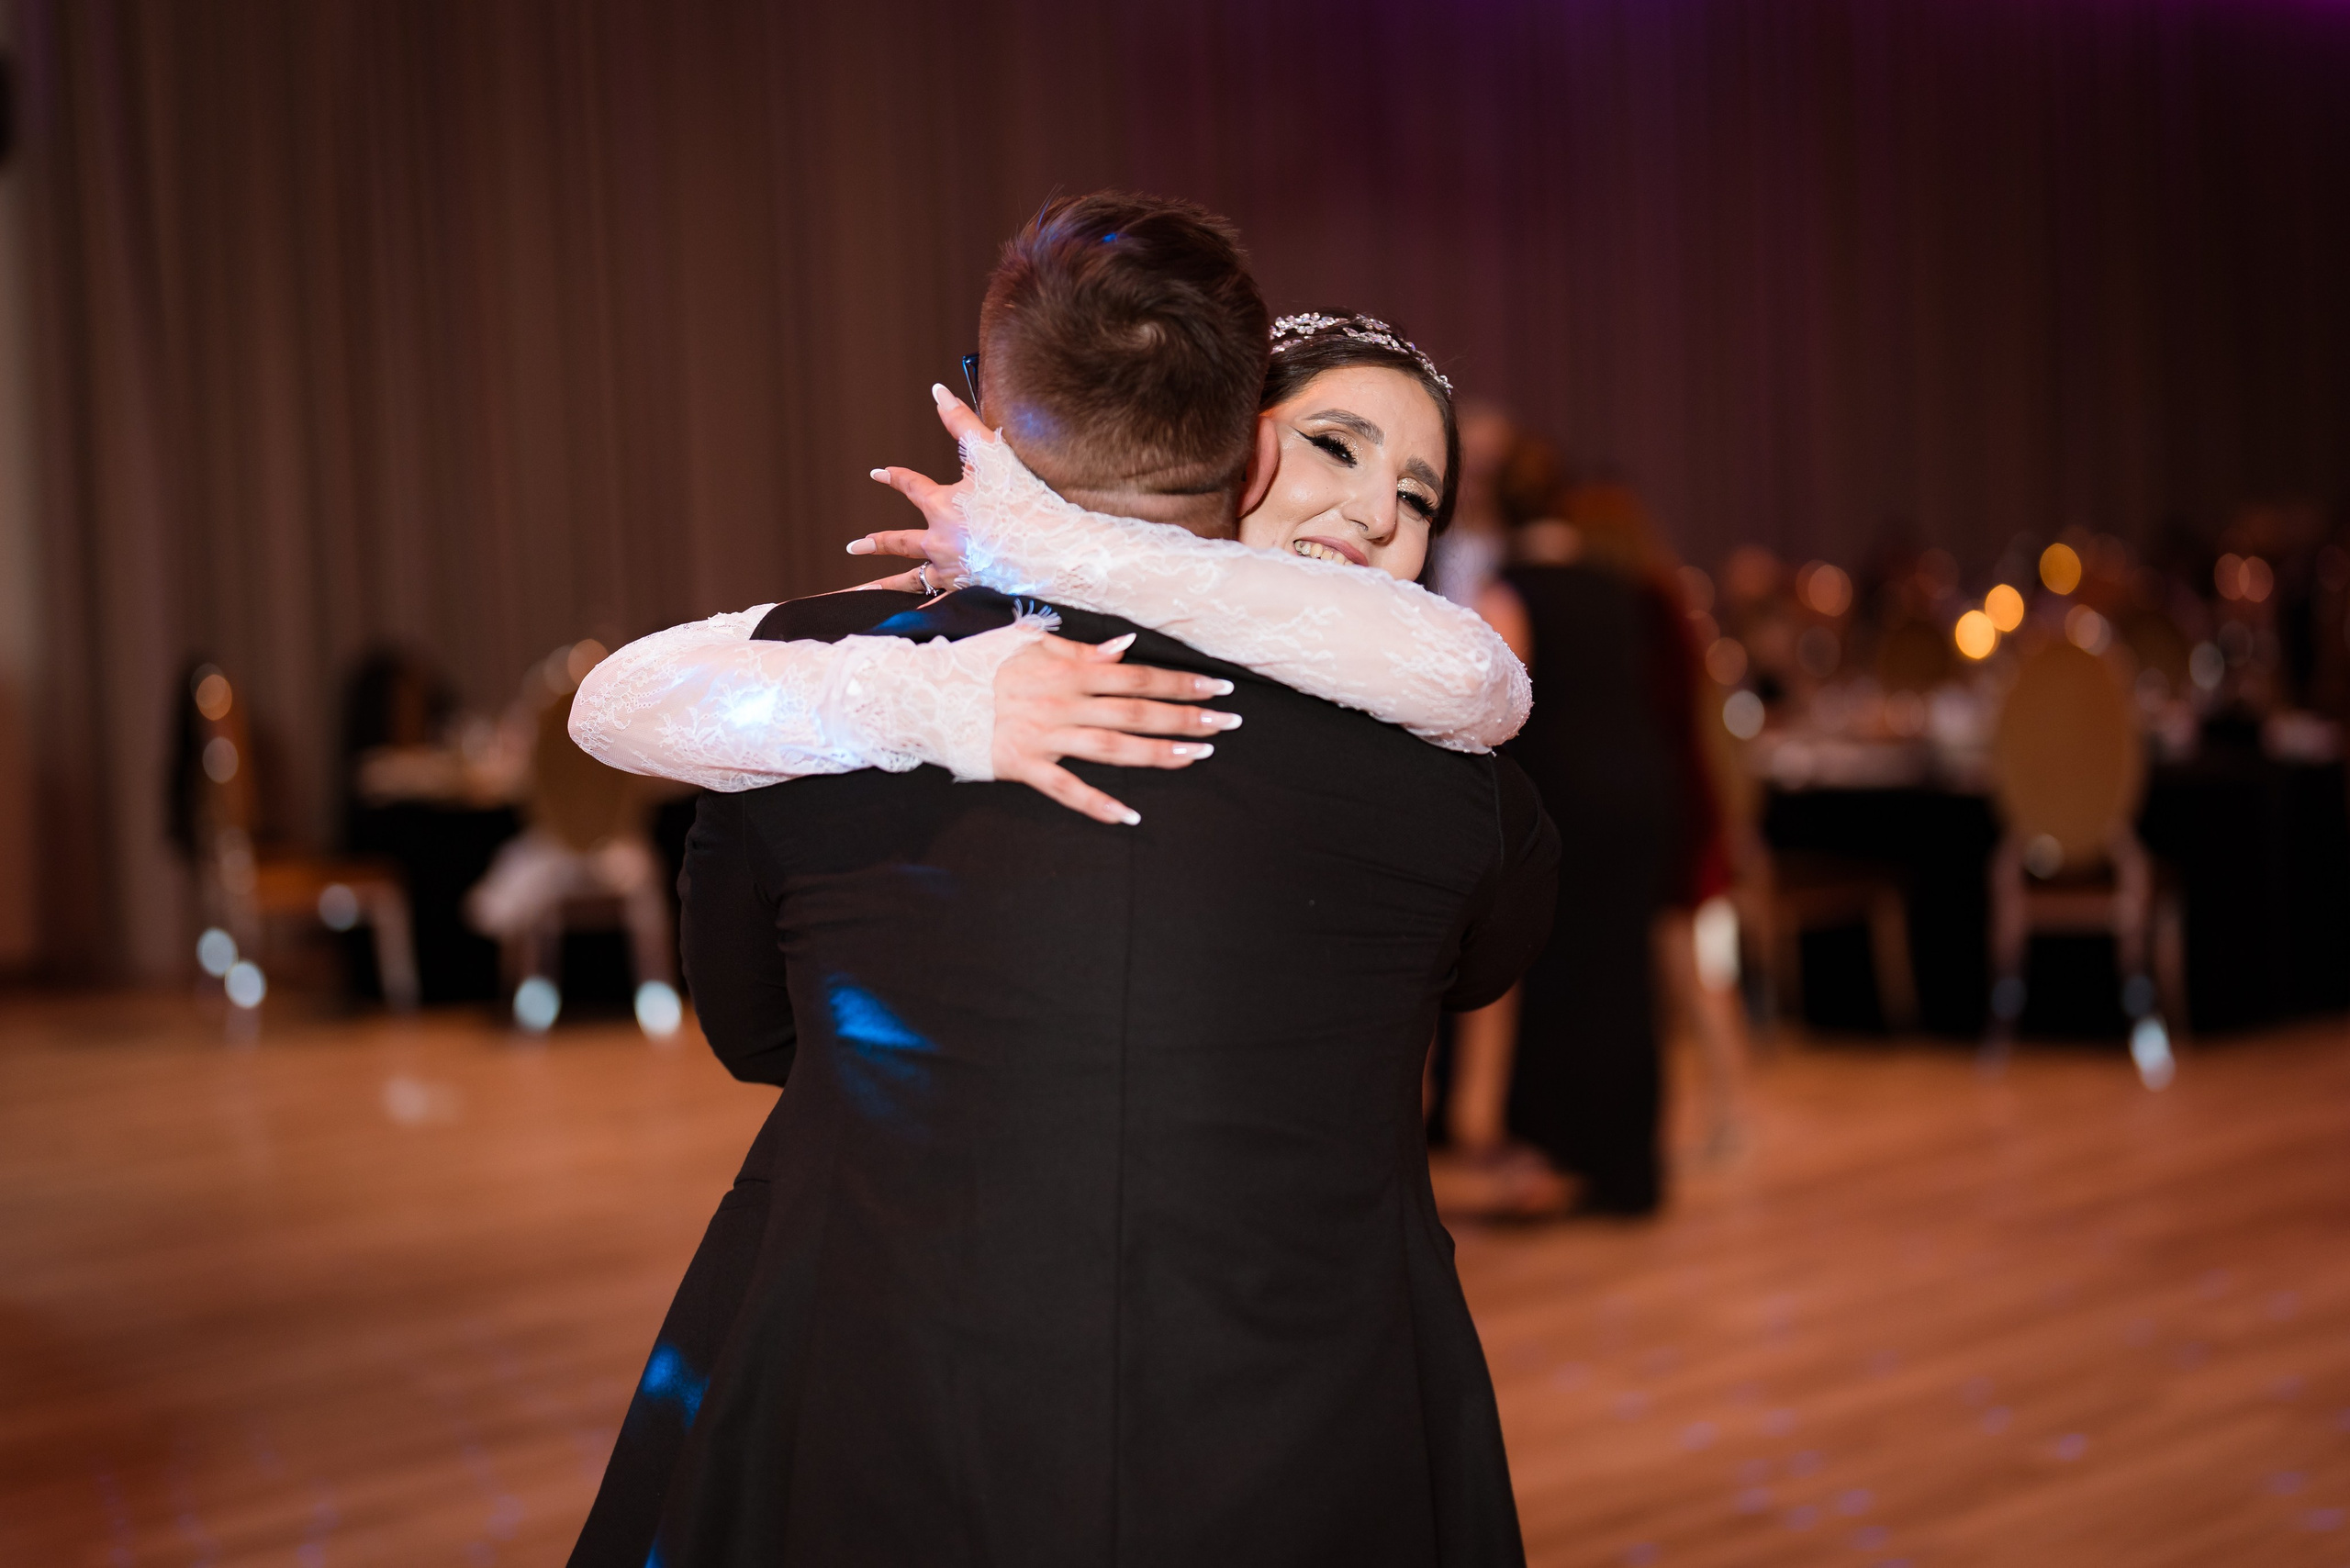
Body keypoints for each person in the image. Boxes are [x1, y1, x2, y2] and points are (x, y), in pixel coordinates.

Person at [565, 192, 1557, 1568]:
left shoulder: (807, 707)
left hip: (877, 1414)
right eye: (1338, 445)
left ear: (992, 413)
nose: (1379, 517)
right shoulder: (1458, 785)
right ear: (1254, 445)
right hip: (1315, 1431)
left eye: (1418, 495)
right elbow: (1480, 952)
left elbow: (757, 1032)